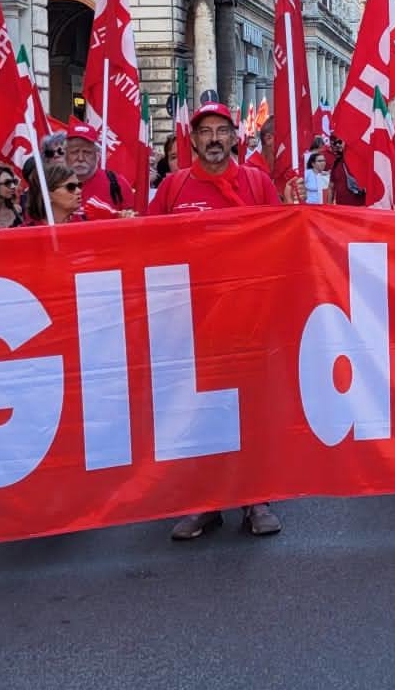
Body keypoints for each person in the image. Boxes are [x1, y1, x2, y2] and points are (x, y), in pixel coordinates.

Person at [151, 103, 290, 539]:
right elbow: (146, 248)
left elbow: (281, 243)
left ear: (234, 137)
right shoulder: (174, 188)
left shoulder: (257, 182)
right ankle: (204, 502)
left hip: (247, 318)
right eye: (205, 131)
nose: (213, 139)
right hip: (190, 324)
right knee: (198, 413)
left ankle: (256, 499)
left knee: (250, 411)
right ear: (192, 140)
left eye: (221, 130)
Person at [63, 123, 134, 220]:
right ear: (65, 154)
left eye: (87, 152)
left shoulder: (118, 184)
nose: (80, 158)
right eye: (74, 152)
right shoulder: (51, 186)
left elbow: (133, 225)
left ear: (98, 155)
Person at [22, 160, 83, 225]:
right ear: (47, 195)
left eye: (79, 185)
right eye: (71, 187)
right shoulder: (25, 233)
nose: (79, 191)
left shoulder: (88, 222)